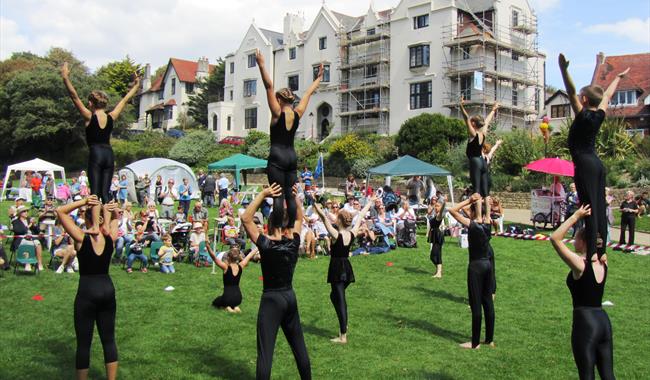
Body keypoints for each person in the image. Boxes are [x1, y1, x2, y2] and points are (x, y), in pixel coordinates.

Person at [559, 53, 629, 259]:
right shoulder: (599, 114)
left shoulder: (583, 115)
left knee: (587, 207)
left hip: (585, 165)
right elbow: (607, 96)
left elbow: (570, 91)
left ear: (584, 99)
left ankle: (591, 252)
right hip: (596, 164)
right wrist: (618, 78)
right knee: (598, 206)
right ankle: (600, 250)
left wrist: (564, 70)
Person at [240, 183, 311, 379]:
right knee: (299, 348)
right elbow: (299, 217)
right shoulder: (294, 241)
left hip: (272, 299)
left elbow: (246, 218)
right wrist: (294, 196)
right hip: (290, 297)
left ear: (270, 223)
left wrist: (263, 194)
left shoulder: (266, 243)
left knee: (265, 353)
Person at [256, 49, 323, 232]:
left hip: (277, 157)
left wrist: (261, 64)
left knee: (278, 195)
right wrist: (318, 78)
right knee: (291, 196)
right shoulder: (297, 113)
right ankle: (291, 230)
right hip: (291, 157)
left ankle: (277, 231)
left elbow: (268, 86)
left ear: (278, 99)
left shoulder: (277, 113)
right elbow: (308, 93)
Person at [55, 195, 120, 380]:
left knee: (84, 343)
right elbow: (115, 219)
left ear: (86, 218)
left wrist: (83, 202)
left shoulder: (81, 237)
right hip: (107, 288)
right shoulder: (110, 237)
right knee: (109, 340)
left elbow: (60, 211)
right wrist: (112, 209)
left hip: (87, 291)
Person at [550, 205, 614, 380]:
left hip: (586, 324)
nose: (573, 241)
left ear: (584, 241)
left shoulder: (580, 265)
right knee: (608, 376)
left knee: (586, 376)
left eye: (576, 238)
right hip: (603, 321)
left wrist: (576, 216)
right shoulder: (603, 262)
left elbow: (555, 238)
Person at [62, 62, 140, 202]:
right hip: (109, 155)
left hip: (96, 154)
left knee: (95, 194)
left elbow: (74, 96)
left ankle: (97, 224)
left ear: (91, 103)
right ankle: (108, 221)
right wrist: (136, 86)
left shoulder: (88, 116)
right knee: (105, 194)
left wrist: (65, 78)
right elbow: (125, 99)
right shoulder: (112, 116)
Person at [313, 197, 374, 343]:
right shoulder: (352, 232)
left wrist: (315, 203)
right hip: (346, 267)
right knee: (335, 296)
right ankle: (344, 324)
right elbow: (360, 216)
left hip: (337, 269)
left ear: (339, 220)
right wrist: (370, 203)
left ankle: (343, 335)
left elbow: (323, 217)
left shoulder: (336, 235)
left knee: (339, 300)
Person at [448, 193, 495, 349]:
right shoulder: (488, 223)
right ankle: (489, 340)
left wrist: (469, 200)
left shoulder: (472, 225)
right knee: (487, 302)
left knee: (476, 305)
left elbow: (452, 210)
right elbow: (486, 212)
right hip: (488, 265)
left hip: (475, 267)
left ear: (473, 212)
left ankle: (474, 343)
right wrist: (483, 201)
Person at [460, 96, 499, 198]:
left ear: (474, 124)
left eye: (472, 122)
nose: (470, 123)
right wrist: (493, 110)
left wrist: (461, 107)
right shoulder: (483, 133)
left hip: (475, 162)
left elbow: (466, 118)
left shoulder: (474, 134)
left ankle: (477, 214)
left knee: (476, 191)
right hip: (483, 163)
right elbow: (487, 121)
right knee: (485, 194)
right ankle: (487, 214)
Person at [207, 245, 257, 312]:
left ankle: (227, 307)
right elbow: (250, 255)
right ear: (238, 256)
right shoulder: (241, 265)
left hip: (227, 298)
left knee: (216, 301)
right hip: (238, 298)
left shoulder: (225, 267)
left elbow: (214, 257)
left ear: (228, 256)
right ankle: (235, 307)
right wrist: (258, 247)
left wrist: (208, 246)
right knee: (232, 302)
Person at [11, 205, 44, 271]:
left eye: (27, 211)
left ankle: (39, 264)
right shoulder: (15, 222)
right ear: (20, 213)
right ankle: (27, 264)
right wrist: (29, 226)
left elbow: (37, 230)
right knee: (27, 244)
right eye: (24, 211)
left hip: (32, 238)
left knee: (38, 243)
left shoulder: (29, 220)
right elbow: (19, 231)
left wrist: (34, 225)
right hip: (20, 239)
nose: (26, 212)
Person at [427, 196, 446, 278]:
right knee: (433, 256)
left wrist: (444, 203)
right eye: (436, 206)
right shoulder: (436, 214)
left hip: (438, 235)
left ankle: (439, 272)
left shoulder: (439, 215)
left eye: (438, 206)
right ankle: (439, 270)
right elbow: (429, 213)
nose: (436, 207)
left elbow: (442, 211)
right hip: (434, 234)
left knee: (436, 254)